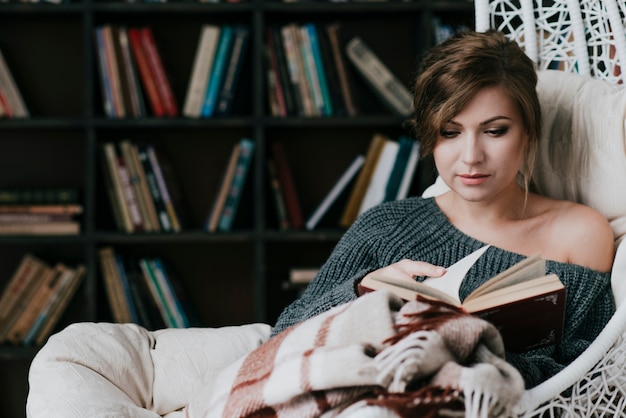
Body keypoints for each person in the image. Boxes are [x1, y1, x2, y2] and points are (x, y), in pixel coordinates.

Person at [271, 29, 616, 388]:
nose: (471, 157)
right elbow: (280, 340)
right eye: (450, 133)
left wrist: (471, 358)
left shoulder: (580, 235)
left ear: (528, 132)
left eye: (494, 131)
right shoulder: (386, 226)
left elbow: (591, 380)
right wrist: (360, 293)